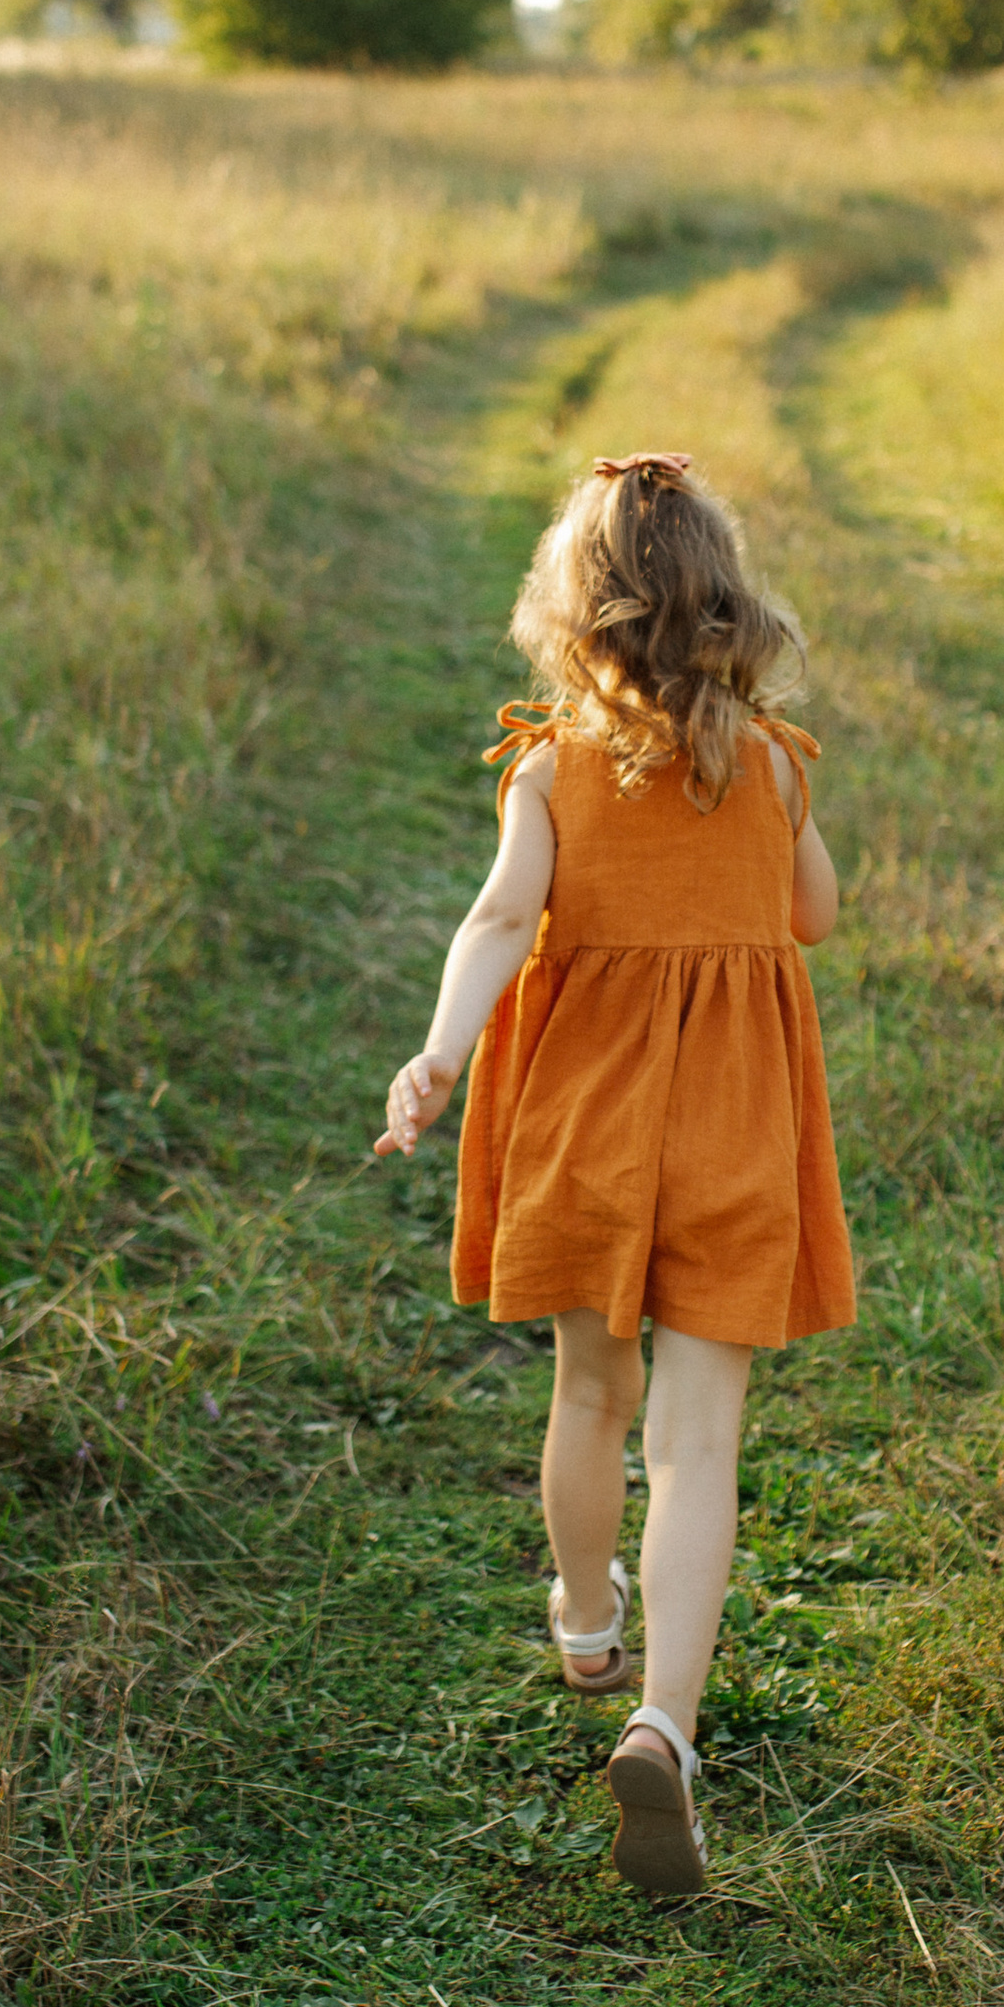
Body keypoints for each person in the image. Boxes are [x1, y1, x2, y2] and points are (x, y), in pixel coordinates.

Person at [376, 450, 855, 1897]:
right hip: (734, 1133)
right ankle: (667, 1719)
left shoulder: (549, 768)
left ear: (574, 619)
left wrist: (442, 1054)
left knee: (593, 1391)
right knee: (696, 1443)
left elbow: (499, 916)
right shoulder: (770, 762)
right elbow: (815, 914)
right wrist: (772, 820)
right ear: (728, 611)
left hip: (588, 1129)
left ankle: (587, 1620)